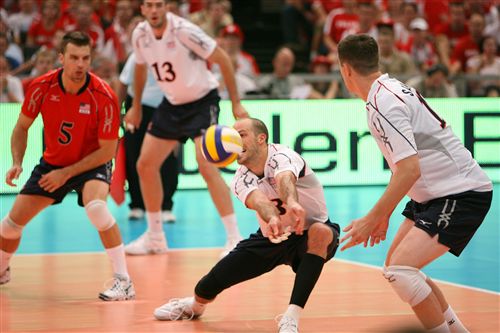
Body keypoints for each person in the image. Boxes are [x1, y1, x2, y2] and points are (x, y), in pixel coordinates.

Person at [337, 34, 493, 333]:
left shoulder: (383, 101)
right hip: (434, 194)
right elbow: (404, 162)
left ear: (345, 70)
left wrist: (372, 217)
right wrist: (383, 213)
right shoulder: (389, 90)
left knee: (401, 271)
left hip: (460, 193)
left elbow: (409, 170)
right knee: (398, 269)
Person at [152, 118, 340, 333]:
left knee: (321, 232)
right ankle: (193, 307)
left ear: (262, 139)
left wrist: (292, 202)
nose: (233, 140)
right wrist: (271, 218)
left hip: (306, 233)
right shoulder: (239, 178)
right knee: (206, 287)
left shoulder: (283, 156)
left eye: (241, 135)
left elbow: (284, 179)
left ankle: (291, 318)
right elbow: (258, 200)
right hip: (272, 235)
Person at [0, 31, 135, 301]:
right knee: (9, 226)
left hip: (91, 163)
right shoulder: (41, 86)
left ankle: (124, 282)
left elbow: (108, 150)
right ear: (61, 58)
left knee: (96, 209)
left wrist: (66, 174)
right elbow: (21, 127)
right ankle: (2, 270)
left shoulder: (104, 95)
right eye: (74, 57)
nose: (80, 64)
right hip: (53, 163)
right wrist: (17, 161)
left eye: (85, 58)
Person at [123, 0, 248, 257]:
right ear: (143, 10)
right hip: (171, 104)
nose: (154, 10)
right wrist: (135, 105)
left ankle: (234, 237)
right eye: (149, 5)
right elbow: (139, 67)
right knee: (145, 165)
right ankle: (155, 237)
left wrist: (236, 103)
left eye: (159, 5)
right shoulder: (140, 35)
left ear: (166, 7)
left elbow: (222, 58)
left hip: (202, 102)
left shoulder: (184, 31)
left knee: (207, 166)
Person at [118, 52, 179, 222]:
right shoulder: (137, 55)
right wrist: (117, 114)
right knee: (133, 154)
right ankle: (137, 204)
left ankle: (166, 206)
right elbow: (123, 83)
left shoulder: (174, 54)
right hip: (137, 107)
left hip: (167, 108)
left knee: (169, 157)